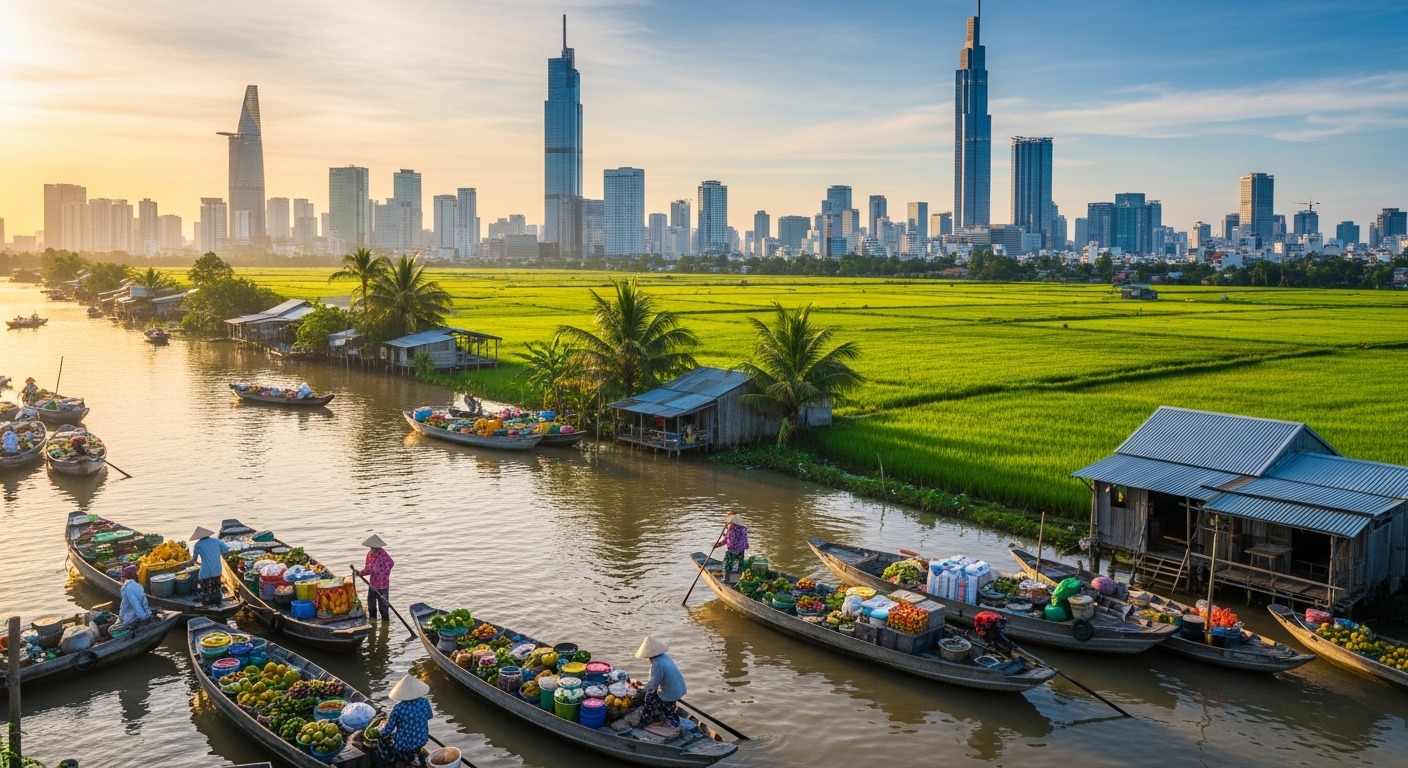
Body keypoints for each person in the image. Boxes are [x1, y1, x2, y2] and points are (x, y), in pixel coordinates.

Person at [378, 674, 432, 767]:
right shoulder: (425, 702)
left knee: (383, 736)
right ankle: (416, 756)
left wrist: (379, 731)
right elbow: (429, 716)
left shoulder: (398, 708)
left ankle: (403, 760)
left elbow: (388, 729)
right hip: (422, 739)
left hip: (404, 745)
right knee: (413, 743)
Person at [634, 636, 686, 728]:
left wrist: (640, 691)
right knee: (656, 695)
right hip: (680, 689)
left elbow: (652, 685)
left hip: (671, 692)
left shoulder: (657, 663)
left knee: (649, 697)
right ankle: (666, 711)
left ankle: (647, 719)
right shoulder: (665, 657)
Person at [355, 534, 394, 622]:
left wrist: (383, 573)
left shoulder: (383, 555)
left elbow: (390, 563)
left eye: (374, 548)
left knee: (383, 607)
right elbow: (368, 568)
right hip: (373, 584)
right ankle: (373, 620)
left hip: (383, 586)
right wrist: (359, 573)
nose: (372, 549)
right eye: (371, 547)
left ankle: (385, 624)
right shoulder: (370, 554)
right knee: (371, 605)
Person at [190, 526, 229, 606]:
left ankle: (207, 604)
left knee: (206, 591)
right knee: (216, 589)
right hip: (217, 570)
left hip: (205, 573)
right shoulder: (217, 541)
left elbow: (194, 559)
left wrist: (189, 562)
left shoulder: (198, 545)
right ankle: (218, 603)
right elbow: (226, 550)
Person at [715, 512, 749, 585]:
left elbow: (728, 540)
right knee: (738, 565)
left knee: (727, 566)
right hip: (741, 550)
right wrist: (726, 534)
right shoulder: (743, 527)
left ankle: (728, 581)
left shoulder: (731, 528)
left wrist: (717, 545)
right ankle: (736, 581)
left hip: (733, 551)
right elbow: (735, 538)